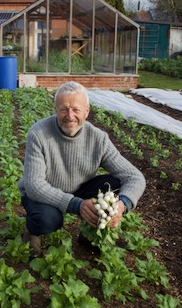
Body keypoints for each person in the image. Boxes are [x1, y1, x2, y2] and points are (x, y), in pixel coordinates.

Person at [18, 81, 146, 256]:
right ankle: (32, 230)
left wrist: (122, 205)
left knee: (114, 186)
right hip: (44, 195)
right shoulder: (39, 134)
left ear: (87, 111)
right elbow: (34, 185)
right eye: (64, 109)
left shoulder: (98, 139)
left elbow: (134, 177)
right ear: (56, 109)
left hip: (79, 188)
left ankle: (90, 233)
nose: (70, 116)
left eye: (76, 109)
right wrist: (77, 205)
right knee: (48, 219)